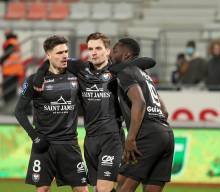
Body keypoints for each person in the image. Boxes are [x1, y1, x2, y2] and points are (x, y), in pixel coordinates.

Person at [33, 32, 156, 192]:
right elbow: (53, 60)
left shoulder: (117, 71)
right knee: (99, 189)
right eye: (90, 48)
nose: (93, 52)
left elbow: (150, 61)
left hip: (111, 137)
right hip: (90, 139)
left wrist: (123, 66)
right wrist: (39, 74)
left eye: (98, 48)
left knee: (103, 189)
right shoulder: (81, 68)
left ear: (108, 51)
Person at [14, 35, 88, 192]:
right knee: (42, 190)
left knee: (82, 189)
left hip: (69, 143)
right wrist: (34, 136)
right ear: (48, 54)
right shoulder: (34, 80)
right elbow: (19, 111)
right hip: (44, 145)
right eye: (59, 52)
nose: (64, 56)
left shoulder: (75, 74)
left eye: (66, 51)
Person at [110, 38, 174, 192]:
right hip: (166, 134)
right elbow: (164, 112)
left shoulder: (124, 71)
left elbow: (140, 103)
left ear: (126, 55)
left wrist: (131, 138)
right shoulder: (144, 75)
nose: (111, 54)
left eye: (115, 51)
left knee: (122, 186)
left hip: (147, 135)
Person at [0, 29, 24, 103]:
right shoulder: (15, 42)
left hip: (10, 70)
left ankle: (8, 102)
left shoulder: (10, 43)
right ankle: (11, 103)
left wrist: (1, 61)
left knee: (7, 90)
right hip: (15, 70)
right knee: (12, 89)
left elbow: (7, 54)